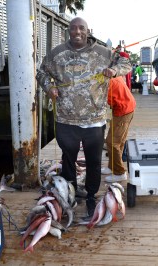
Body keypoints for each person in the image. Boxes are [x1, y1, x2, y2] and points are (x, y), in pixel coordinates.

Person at [36, 17, 131, 217]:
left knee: (94, 161)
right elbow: (41, 73)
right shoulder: (57, 54)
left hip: (94, 121)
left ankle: (91, 196)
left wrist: (113, 70)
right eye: (73, 28)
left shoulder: (103, 53)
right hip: (65, 121)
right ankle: (69, 194)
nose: (77, 32)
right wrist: (49, 87)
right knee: (68, 159)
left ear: (88, 31)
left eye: (81, 28)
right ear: (68, 31)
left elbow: (126, 63)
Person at [101, 75, 136, 182]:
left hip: (124, 111)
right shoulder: (114, 75)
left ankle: (120, 172)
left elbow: (106, 102)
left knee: (112, 142)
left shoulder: (105, 84)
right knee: (118, 141)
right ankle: (112, 167)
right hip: (125, 108)